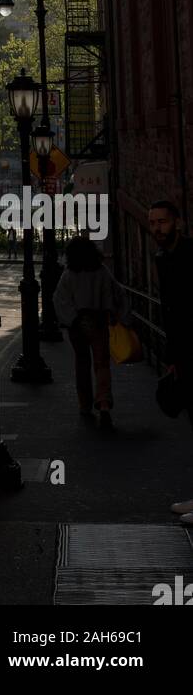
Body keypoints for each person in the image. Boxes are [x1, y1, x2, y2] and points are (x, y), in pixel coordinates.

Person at [53, 235, 130, 431]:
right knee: (102, 363)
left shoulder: (69, 274)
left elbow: (59, 298)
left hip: (78, 323)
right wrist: (115, 313)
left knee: (82, 363)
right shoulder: (101, 271)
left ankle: (85, 404)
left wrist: (72, 319)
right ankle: (104, 403)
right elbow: (117, 291)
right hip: (98, 320)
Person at [148, 200, 193, 526]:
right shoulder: (162, 257)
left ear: (176, 222)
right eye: (152, 223)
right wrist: (173, 357)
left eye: (162, 222)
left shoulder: (188, 255)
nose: (157, 228)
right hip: (183, 353)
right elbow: (172, 311)